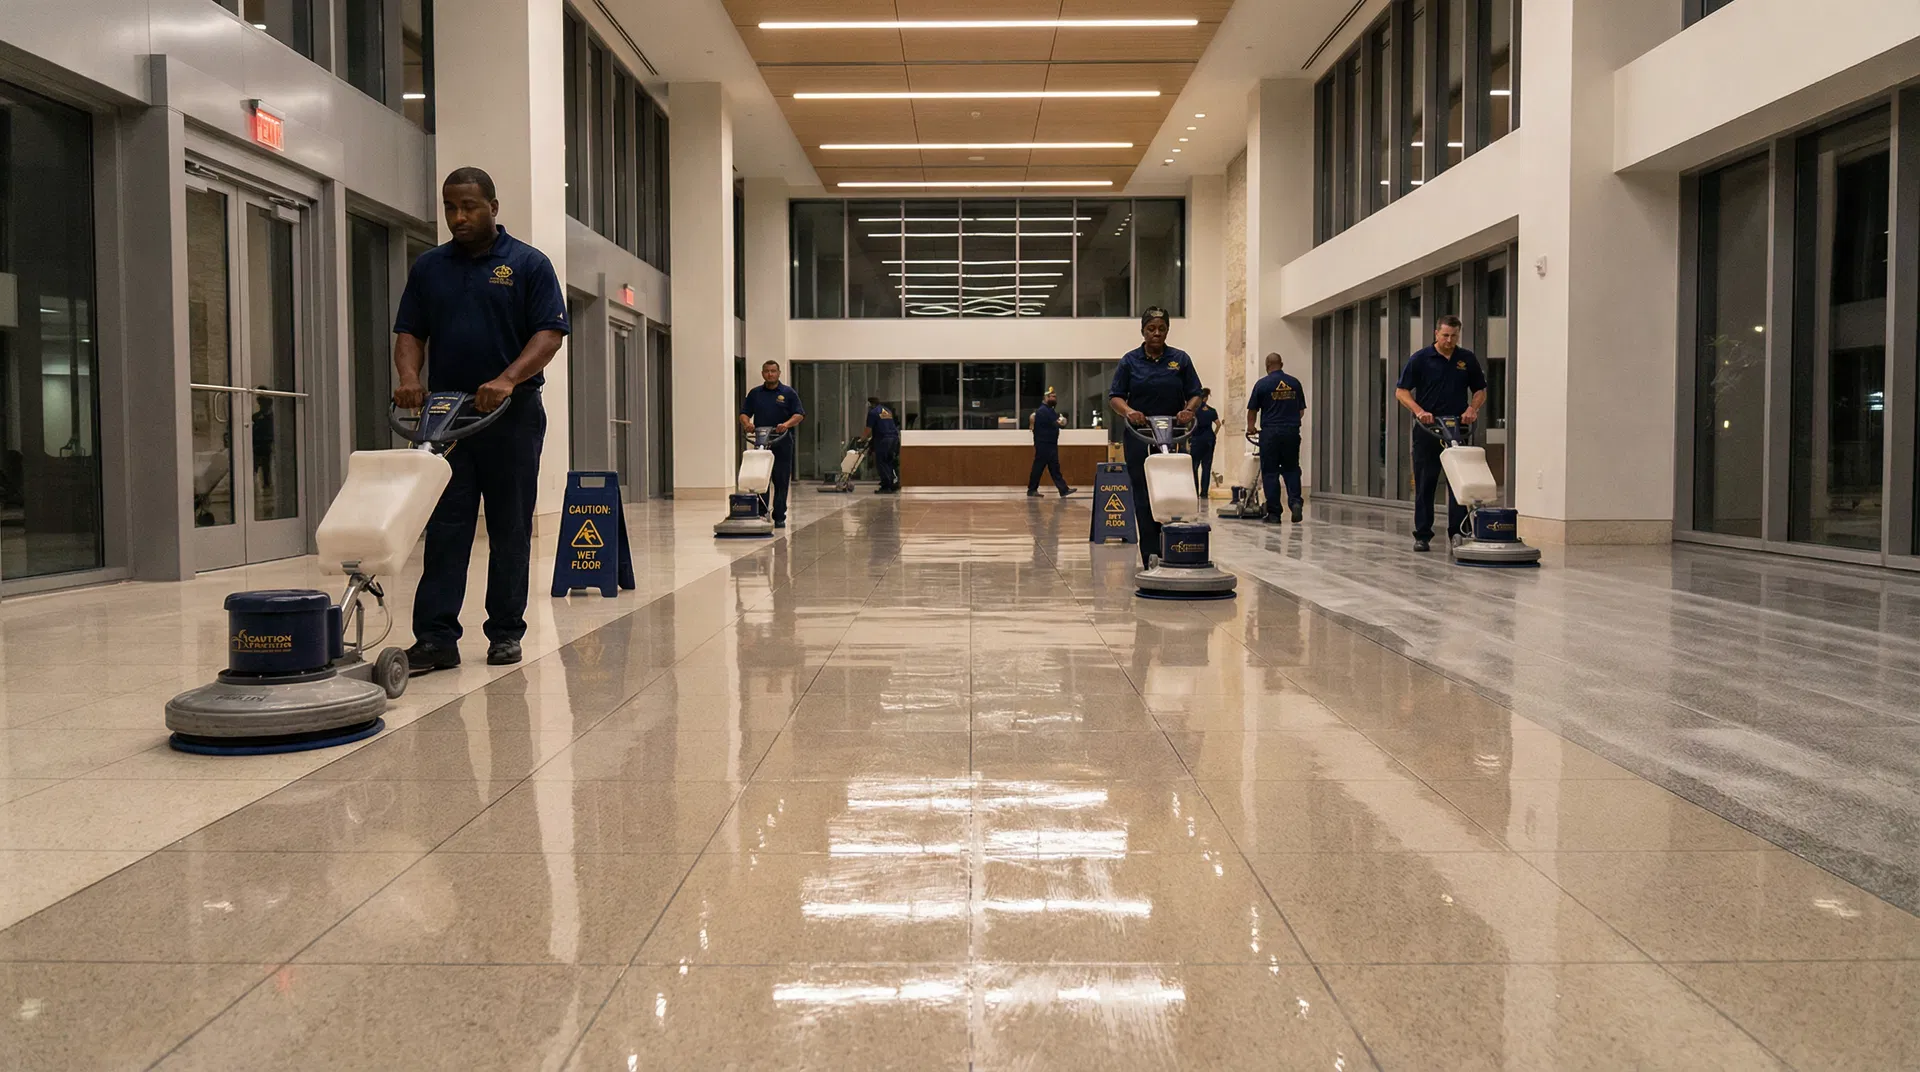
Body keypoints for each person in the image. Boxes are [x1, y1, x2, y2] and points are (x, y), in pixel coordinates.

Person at [394, 166, 568, 671]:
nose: (458, 217)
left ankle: (505, 632)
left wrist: (508, 379)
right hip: (447, 416)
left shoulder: (528, 264)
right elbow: (410, 332)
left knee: (509, 524)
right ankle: (436, 638)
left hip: (511, 414)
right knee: (445, 526)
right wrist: (409, 376)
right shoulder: (430, 267)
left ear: (493, 207)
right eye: (450, 207)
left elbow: (549, 334)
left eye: (469, 206)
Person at [1109, 307, 1204, 568]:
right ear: (1143, 331)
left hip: (1172, 435)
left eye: (1162, 329)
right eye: (1151, 328)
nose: (1157, 333)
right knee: (1143, 492)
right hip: (1140, 436)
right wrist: (1129, 412)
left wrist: (1188, 410)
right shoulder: (1130, 361)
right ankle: (1150, 555)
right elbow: (1115, 397)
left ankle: (1175, 548)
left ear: (1167, 330)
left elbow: (1195, 392)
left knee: (1175, 488)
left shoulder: (1180, 359)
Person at [1395, 314, 1487, 552]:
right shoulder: (1421, 359)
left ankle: (1457, 532)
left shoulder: (1466, 359)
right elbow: (1401, 391)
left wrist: (1472, 409)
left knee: (1458, 483)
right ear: (1436, 333)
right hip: (1428, 429)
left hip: (1458, 430)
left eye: (1454, 336)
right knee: (1425, 482)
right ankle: (1422, 535)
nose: (1449, 340)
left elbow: (1480, 390)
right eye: (1445, 335)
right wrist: (1419, 411)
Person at [738, 360, 805, 527]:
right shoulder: (755, 393)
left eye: (773, 371)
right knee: (761, 478)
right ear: (763, 374)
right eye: (767, 371)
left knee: (781, 480)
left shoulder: (788, 393)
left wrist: (786, 425)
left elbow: (799, 414)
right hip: (762, 443)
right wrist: (747, 424)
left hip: (782, 442)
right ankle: (761, 513)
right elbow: (744, 413)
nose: (770, 374)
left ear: (779, 373)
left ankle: (779, 515)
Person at [1246, 352, 1306, 524]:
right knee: (1292, 469)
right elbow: (1301, 411)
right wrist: (1289, 423)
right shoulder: (1294, 383)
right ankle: (1295, 502)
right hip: (1291, 432)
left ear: (1267, 366)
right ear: (1282, 364)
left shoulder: (1262, 384)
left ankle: (1274, 513)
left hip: (1270, 433)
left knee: (1270, 472)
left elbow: (1252, 410)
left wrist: (1251, 427)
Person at [1026, 387, 1076, 498]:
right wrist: (1062, 421)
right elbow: (1057, 423)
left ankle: (1063, 489)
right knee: (1039, 467)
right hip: (1044, 444)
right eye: (1052, 397)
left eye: (1055, 397)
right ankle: (1032, 489)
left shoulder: (1049, 410)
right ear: (1046, 398)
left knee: (1054, 468)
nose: (1055, 399)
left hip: (1050, 444)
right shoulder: (1044, 411)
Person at [862, 395, 900, 493]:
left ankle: (886, 486)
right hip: (894, 439)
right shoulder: (887, 411)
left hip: (883, 440)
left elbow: (868, 429)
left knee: (881, 462)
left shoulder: (873, 412)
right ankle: (892, 483)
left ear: (870, 404)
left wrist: (862, 439)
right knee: (889, 461)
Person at [1190, 387, 1221, 499]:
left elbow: (1190, 426)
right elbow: (1218, 424)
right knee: (1206, 466)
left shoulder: (1194, 411)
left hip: (1197, 439)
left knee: (1194, 466)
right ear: (1206, 398)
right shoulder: (1212, 411)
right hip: (1209, 440)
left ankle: (1195, 490)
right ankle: (1204, 492)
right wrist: (1214, 434)